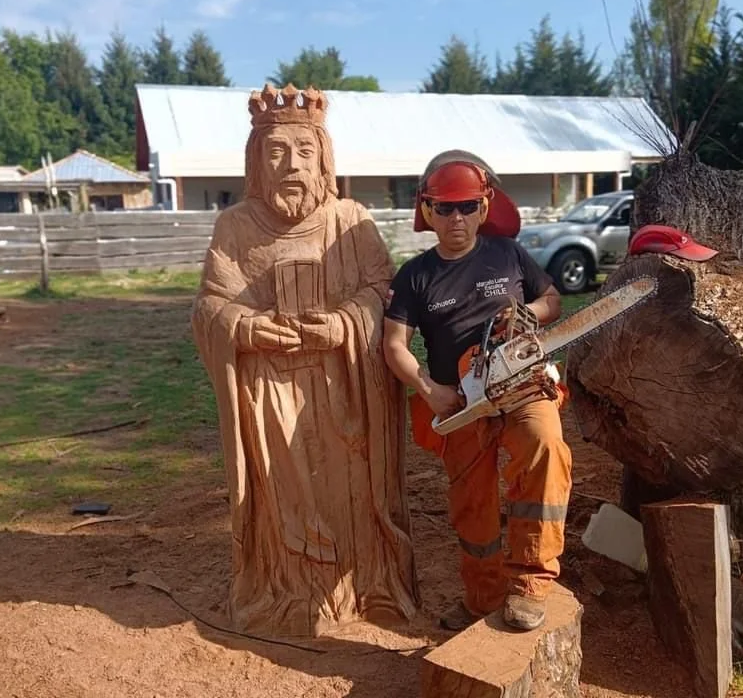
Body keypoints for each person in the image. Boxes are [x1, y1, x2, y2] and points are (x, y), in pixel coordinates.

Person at [191, 84, 418, 637]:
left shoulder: (351, 219)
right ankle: (286, 592)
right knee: (285, 496)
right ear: (256, 161)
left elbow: (383, 292)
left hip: (345, 386)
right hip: (270, 393)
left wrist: (343, 324)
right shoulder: (236, 227)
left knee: (352, 491)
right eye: (276, 152)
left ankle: (363, 588)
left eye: (304, 152)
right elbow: (209, 306)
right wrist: (245, 326)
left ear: (324, 159)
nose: (291, 165)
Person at [382, 149, 574, 632]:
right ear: (427, 210)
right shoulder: (415, 275)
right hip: (462, 400)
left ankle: (531, 582)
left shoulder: (508, 254)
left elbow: (552, 299)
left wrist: (531, 313)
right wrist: (428, 390)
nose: (456, 218)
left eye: (467, 206)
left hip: (522, 384)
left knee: (545, 447)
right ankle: (483, 596)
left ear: (485, 206)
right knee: (472, 502)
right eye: (444, 208)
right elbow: (394, 345)